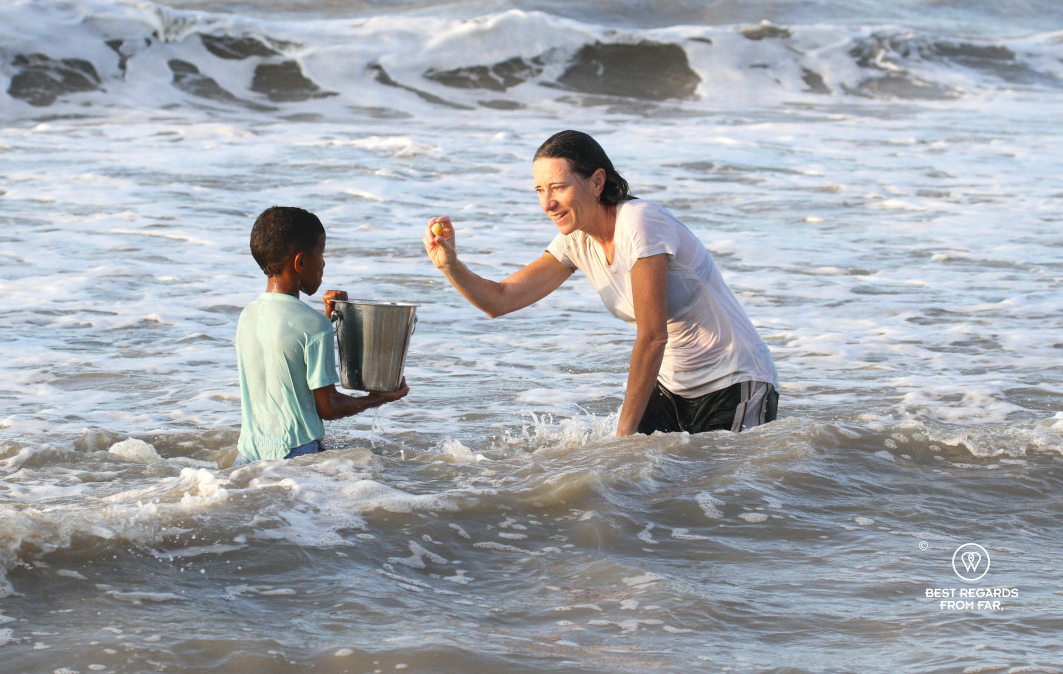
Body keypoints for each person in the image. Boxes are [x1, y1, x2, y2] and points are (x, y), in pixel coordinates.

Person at [423, 130, 777, 437]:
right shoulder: (575, 240)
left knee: (720, 499)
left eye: (559, 187)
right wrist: (450, 265)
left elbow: (653, 336)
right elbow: (499, 301)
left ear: (596, 182)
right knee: (633, 488)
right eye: (540, 189)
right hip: (673, 388)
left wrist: (622, 435)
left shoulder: (640, 222)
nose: (547, 203)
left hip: (736, 381)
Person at [234, 206, 409, 464]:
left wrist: (327, 317)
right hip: (295, 457)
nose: (324, 263)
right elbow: (328, 407)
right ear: (301, 262)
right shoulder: (314, 325)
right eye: (321, 253)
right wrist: (379, 398)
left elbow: (291, 348)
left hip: (248, 455)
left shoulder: (248, 316)